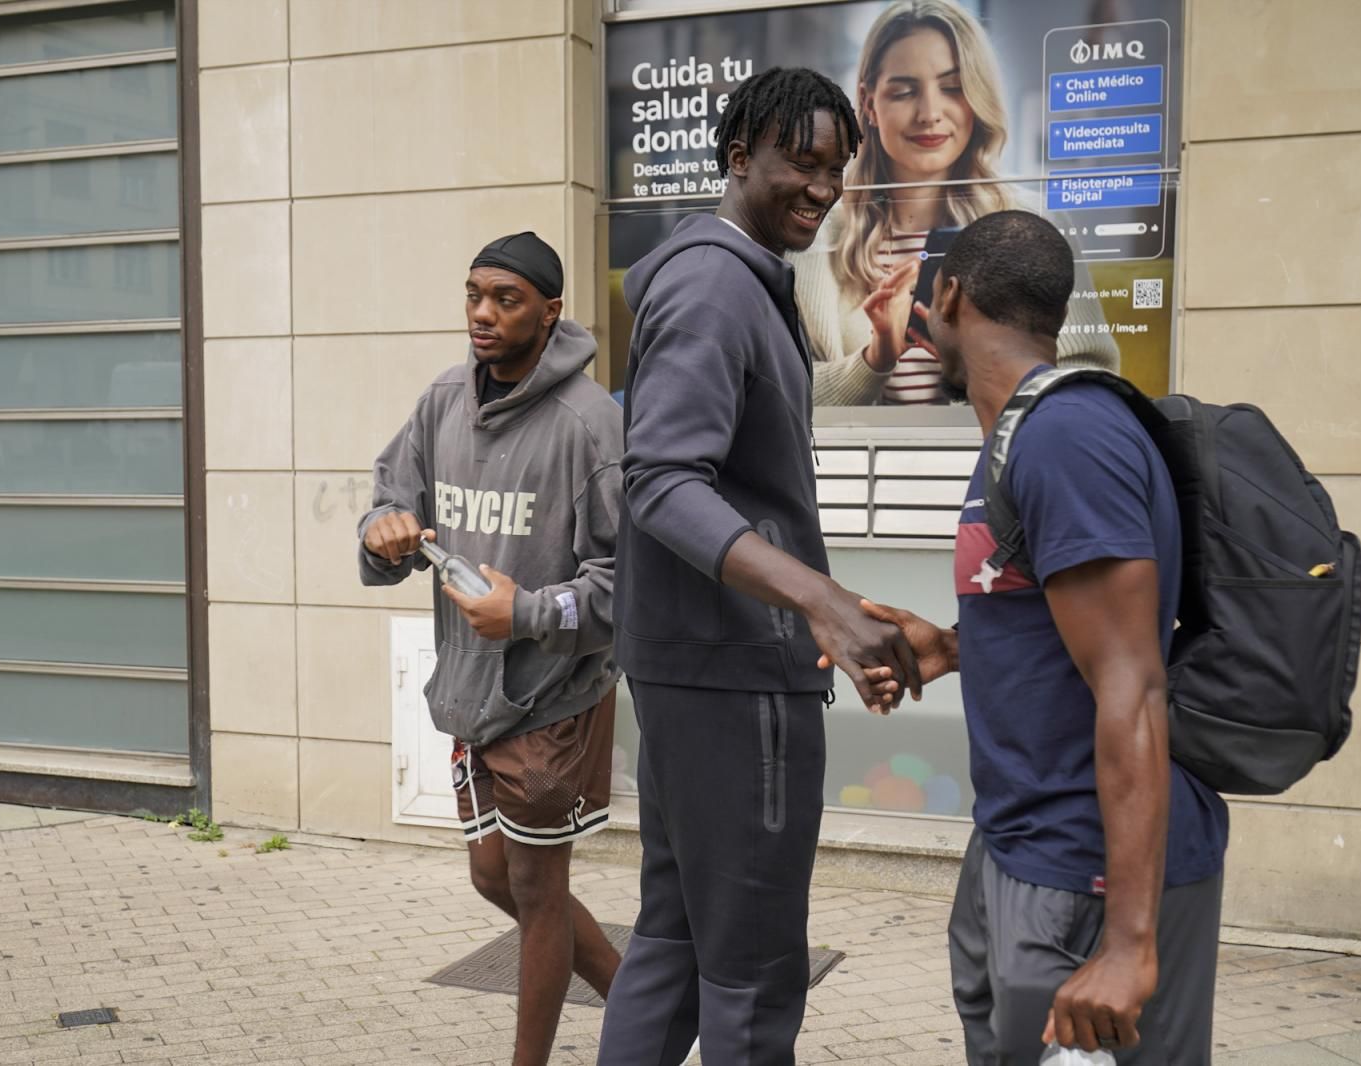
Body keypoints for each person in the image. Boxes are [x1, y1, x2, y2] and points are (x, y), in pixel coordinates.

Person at [596, 68, 922, 1066]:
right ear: (740, 156)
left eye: (836, 168)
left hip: (707, 668)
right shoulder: (712, 284)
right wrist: (814, 599)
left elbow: (734, 485)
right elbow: (658, 480)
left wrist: (825, 603)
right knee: (751, 975)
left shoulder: (734, 282)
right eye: (800, 161)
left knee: (675, 940)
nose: (822, 188)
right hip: (732, 683)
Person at [848, 211, 1228, 1064]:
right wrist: (952, 646)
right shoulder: (1019, 436)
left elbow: (1132, 686)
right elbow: (1059, 633)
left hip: (1084, 870)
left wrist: (1130, 945)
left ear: (950, 293)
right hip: (1024, 844)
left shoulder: (1066, 436)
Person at [358, 233, 623, 1066]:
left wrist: (532, 613)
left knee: (540, 888)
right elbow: (387, 499)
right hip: (474, 691)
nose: (481, 313)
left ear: (550, 313)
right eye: (473, 294)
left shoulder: (592, 424)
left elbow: (627, 585)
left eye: (505, 299)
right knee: (492, 876)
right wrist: (385, 531)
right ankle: (640, 996)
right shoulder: (442, 400)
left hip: (556, 694)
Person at [794, 0, 1118, 406]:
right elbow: (790, 396)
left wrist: (973, 365)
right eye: (905, 91)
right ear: (869, 102)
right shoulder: (819, 238)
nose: (930, 113)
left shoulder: (1031, 223)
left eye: (952, 87)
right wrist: (874, 359)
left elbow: (1089, 382)